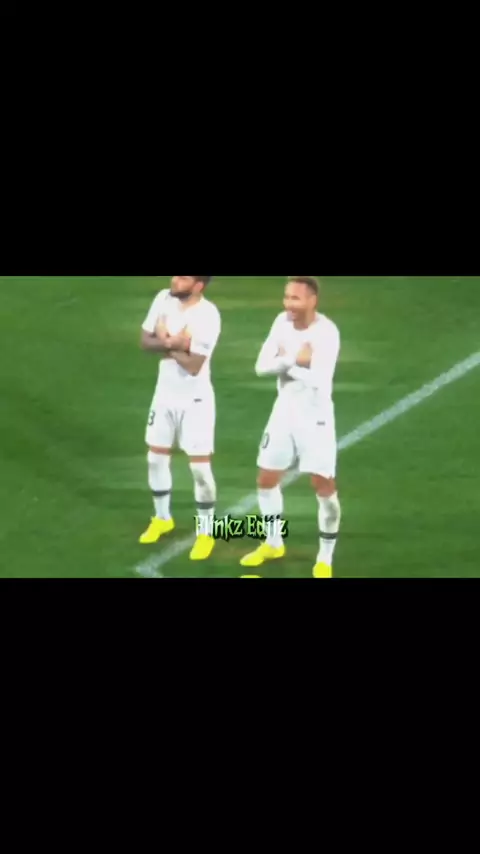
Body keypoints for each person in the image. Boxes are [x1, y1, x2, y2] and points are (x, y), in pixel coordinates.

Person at [240, 276, 341, 578]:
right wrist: (295, 360)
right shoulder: (281, 323)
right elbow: (260, 367)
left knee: (322, 486)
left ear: (312, 300)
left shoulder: (327, 332)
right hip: (284, 411)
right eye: (287, 297)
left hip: (316, 417)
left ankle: (324, 559)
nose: (289, 304)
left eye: (295, 298)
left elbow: (320, 381)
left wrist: (285, 363)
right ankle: (273, 543)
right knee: (266, 479)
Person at [139, 276, 221, 562]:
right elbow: (144, 341)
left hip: (195, 401)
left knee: (200, 470)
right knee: (155, 458)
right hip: (164, 395)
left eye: (183, 277)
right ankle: (162, 518)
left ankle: (206, 533)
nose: (175, 279)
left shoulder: (208, 315)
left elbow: (194, 365)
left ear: (199, 285)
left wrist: (165, 342)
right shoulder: (163, 299)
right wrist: (175, 343)